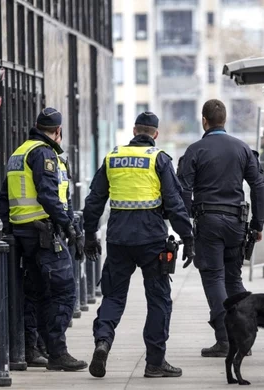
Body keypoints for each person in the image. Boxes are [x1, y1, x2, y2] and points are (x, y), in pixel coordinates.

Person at [82, 111, 194, 379]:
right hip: (152, 240)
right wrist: (188, 238)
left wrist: (89, 234)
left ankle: (103, 342)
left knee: (113, 296)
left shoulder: (113, 157)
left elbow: (94, 200)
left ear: (134, 131)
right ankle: (155, 362)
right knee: (158, 300)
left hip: (119, 239)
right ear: (154, 135)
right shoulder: (159, 159)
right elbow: (176, 203)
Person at [0, 107, 87, 371]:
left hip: (25, 234)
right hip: (44, 233)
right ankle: (58, 353)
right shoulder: (44, 154)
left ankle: (35, 348)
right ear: (58, 131)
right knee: (63, 291)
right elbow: (49, 196)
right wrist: (70, 228)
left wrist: (13, 228)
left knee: (36, 292)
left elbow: (3, 198)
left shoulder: (19, 153)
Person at [177, 99, 264, 357]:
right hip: (237, 223)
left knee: (215, 277)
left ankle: (225, 339)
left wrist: (185, 226)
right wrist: (258, 224)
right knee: (234, 278)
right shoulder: (242, 149)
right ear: (224, 120)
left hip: (209, 223)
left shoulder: (195, 150)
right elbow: (258, 187)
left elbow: (183, 190)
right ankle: (244, 338)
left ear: (204, 121)